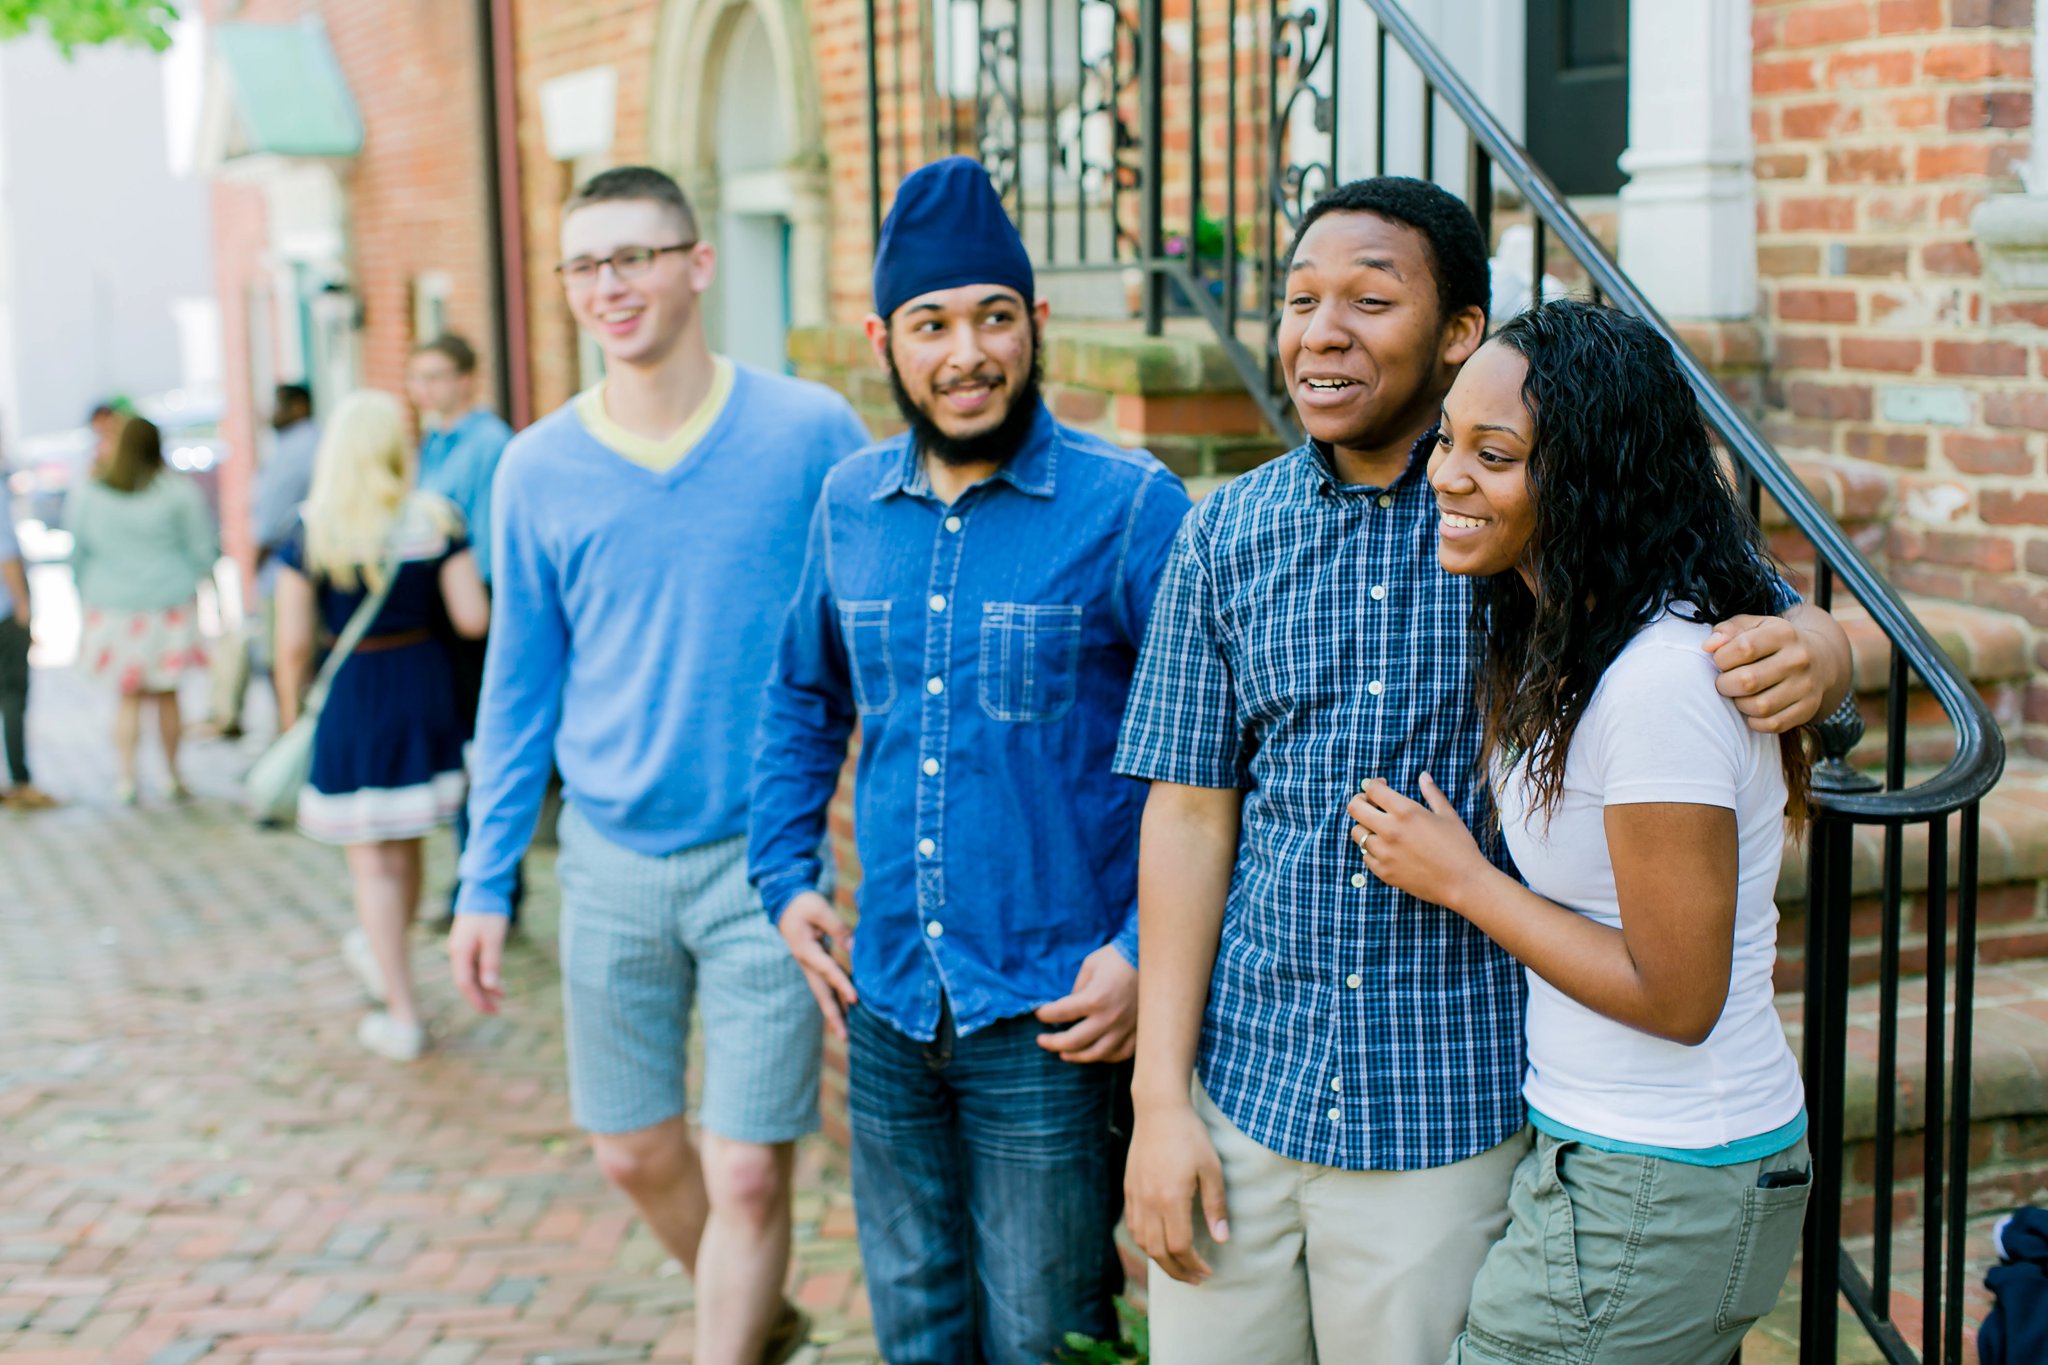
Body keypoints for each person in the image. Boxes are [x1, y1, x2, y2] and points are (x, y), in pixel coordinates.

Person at [1114, 178, 1852, 1364]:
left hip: (1443, 1110)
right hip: (1243, 1091)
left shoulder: (1536, 516)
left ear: (1460, 335)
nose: (1321, 330)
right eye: (1300, 299)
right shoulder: (1223, 532)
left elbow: (1743, 611)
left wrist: (1825, 645)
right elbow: (1188, 816)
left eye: (1368, 298)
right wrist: (1159, 1103)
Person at [750, 155, 1193, 1364]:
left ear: (1034, 324)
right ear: (882, 339)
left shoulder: (1128, 508)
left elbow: (1224, 757)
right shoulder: (848, 503)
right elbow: (800, 696)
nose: (966, 353)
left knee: (1042, 1339)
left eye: (993, 317)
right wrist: (785, 878)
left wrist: (1144, 958)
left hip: (1050, 1013)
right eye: (931, 323)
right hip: (887, 1003)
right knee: (917, 1329)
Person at [446, 165, 868, 1365]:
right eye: (585, 264)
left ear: (697, 261)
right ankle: (753, 1316)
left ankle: (724, 1337)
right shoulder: (535, 468)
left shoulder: (806, 434)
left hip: (763, 864)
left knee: (745, 1171)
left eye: (633, 256)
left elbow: (864, 630)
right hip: (610, 859)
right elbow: (518, 690)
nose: (608, 286)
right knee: (634, 1152)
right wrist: (485, 883)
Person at [1347, 300, 1812, 1363]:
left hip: (1661, 1169)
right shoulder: (1565, 631)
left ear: (1591, 476)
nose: (1446, 477)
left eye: (1495, 455)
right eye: (1447, 443)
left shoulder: (1656, 682)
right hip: (1621, 1157)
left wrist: (1461, 881)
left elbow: (1676, 995)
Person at [272, 391, 488, 1062]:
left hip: (355, 698)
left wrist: (288, 722)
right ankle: (390, 967)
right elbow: (474, 618)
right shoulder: (434, 520)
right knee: (409, 843)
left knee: (372, 863)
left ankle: (402, 1011)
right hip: (422, 693)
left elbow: (291, 646)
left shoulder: (312, 530)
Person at [404, 332, 522, 923]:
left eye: (436, 376)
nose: (424, 389)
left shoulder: (488, 443)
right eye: (416, 377)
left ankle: (494, 885)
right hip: (445, 611)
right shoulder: (434, 441)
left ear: (466, 378)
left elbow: (485, 538)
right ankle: (473, 875)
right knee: (462, 752)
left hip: (481, 609)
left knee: (487, 749)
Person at [69, 416, 217, 804]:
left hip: (113, 607)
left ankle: (127, 778)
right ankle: (172, 775)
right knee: (167, 695)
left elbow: (78, 552)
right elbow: (202, 550)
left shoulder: (90, 493)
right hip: (167, 606)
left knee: (128, 697)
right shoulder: (178, 493)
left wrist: (85, 592)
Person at [200, 384, 321, 742]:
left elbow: (273, 522)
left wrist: (256, 563)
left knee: (283, 655)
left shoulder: (299, 449)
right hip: (285, 569)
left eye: (278, 405)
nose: (270, 413)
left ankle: (291, 736)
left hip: (286, 572)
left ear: (299, 407)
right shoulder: (296, 445)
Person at [0, 505, 53, 809]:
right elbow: (5, 552)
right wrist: (22, 604)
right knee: (12, 696)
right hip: (4, 613)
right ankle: (20, 781)